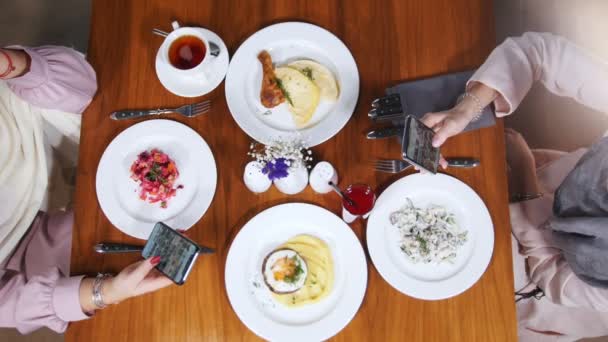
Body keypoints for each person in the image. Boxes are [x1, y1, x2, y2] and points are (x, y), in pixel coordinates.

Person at [421, 32, 608, 341]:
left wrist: (523, 174)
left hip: (528, 292)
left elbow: (552, 276)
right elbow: (539, 53)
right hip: (522, 177)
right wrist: (469, 107)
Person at [0, 46, 172, 334]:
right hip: (30, 263)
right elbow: (8, 304)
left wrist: (13, 64)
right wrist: (106, 292)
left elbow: (85, 90)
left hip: (68, 185)